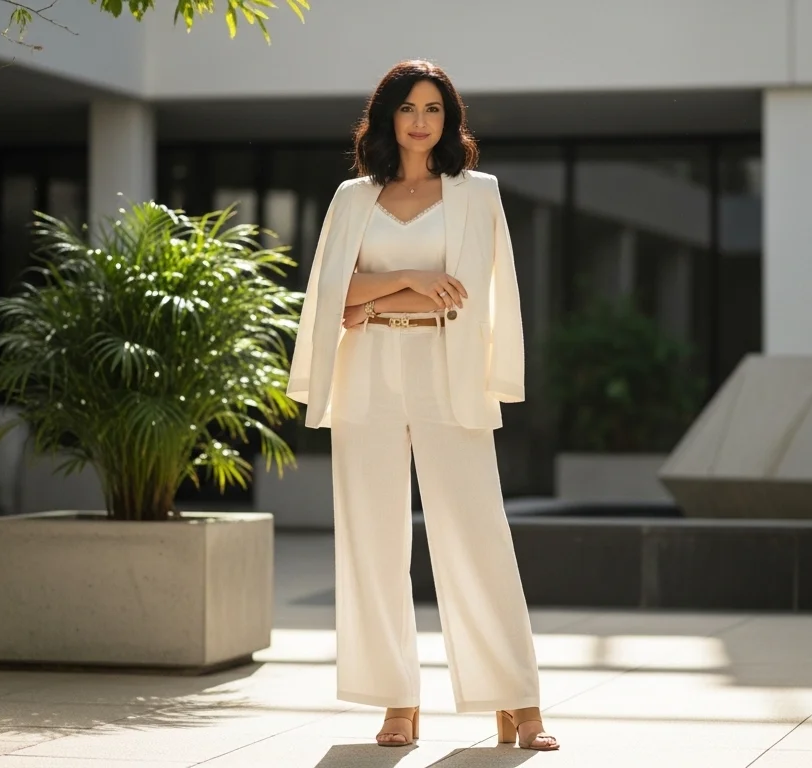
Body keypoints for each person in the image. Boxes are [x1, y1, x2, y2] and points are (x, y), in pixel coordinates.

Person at [285, 59, 558, 751]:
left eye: (433, 108)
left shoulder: (478, 194)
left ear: (449, 120)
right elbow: (330, 297)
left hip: (447, 366)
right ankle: (396, 701)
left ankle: (516, 702)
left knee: (476, 532)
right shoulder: (353, 198)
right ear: (387, 117)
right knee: (372, 536)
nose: (420, 120)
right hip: (368, 367)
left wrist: (374, 286)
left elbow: (464, 290)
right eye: (408, 107)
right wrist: (408, 277)